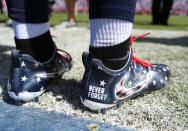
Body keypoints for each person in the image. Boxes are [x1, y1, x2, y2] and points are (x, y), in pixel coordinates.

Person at [5, 0, 170, 112]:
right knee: (112, 59)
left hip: (23, 71)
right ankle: (112, 67)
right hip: (108, 83)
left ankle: (32, 63)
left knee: (36, 52)